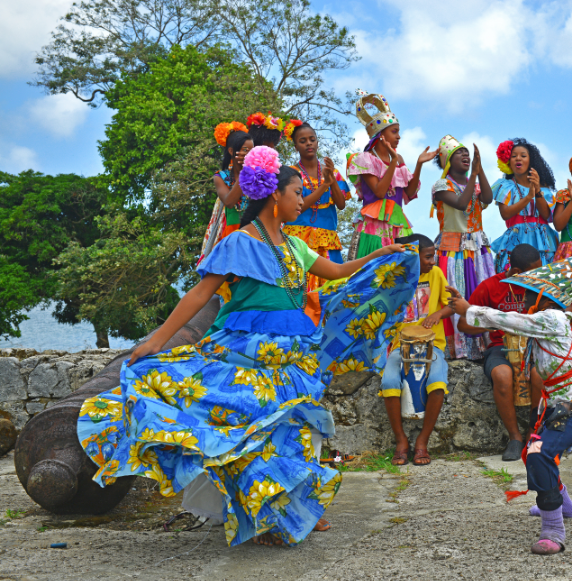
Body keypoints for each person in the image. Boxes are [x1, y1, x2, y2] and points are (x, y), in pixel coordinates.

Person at [77, 146, 419, 548]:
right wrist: (157, 340)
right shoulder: (239, 242)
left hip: (293, 353)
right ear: (276, 195)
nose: (301, 202)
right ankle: (262, 514)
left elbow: (340, 271)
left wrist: (381, 253)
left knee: (294, 426)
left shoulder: (295, 246)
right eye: (297, 194)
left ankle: (291, 509)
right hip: (247, 352)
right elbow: (199, 295)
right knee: (251, 433)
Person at [449, 242, 572, 555]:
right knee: (533, 453)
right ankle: (564, 506)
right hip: (557, 406)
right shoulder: (547, 323)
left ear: (542, 298)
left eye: (525, 296)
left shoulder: (552, 321)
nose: (521, 302)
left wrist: (470, 309)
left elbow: (511, 322)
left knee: (538, 455)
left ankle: (553, 528)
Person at [456, 244, 543, 461]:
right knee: (502, 376)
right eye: (532, 272)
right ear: (515, 272)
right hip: (500, 347)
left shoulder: (539, 286)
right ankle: (514, 437)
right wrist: (492, 326)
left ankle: (535, 433)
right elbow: (464, 325)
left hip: (533, 345)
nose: (536, 276)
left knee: (540, 374)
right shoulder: (490, 287)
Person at [379, 234, 453, 467]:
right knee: (389, 383)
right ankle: (401, 441)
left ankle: (422, 440)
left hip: (433, 345)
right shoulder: (394, 279)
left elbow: (452, 304)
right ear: (412, 257)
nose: (433, 261)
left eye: (434, 256)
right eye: (428, 257)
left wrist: (438, 314)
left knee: (438, 383)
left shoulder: (437, 275)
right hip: (400, 346)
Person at [346, 91, 437, 258]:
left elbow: (409, 192)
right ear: (381, 135)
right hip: (373, 225)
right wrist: (393, 161)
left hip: (397, 223)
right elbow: (379, 192)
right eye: (394, 131)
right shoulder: (366, 159)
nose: (399, 136)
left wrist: (419, 164)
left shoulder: (398, 158)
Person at [431, 135, 495, 359]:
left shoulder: (474, 183)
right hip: (453, 250)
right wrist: (474, 176)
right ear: (447, 159)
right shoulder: (441, 186)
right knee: (458, 293)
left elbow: (488, 197)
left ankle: (484, 345)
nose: (466, 155)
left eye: (468, 153)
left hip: (478, 249)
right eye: (460, 152)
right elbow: (461, 204)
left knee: (479, 293)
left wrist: (480, 170)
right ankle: (459, 349)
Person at [283, 121, 352, 291]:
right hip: (298, 238)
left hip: (326, 240)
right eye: (303, 140)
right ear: (295, 146)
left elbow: (341, 204)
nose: (309, 143)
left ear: (317, 142)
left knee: (331, 289)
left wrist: (332, 180)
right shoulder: (291, 174)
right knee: (298, 288)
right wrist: (324, 186)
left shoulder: (332, 172)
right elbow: (298, 207)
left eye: (312, 139)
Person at [489, 138, 559, 272]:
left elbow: (547, 215)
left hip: (543, 241)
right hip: (515, 240)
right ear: (508, 162)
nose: (518, 159)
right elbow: (505, 214)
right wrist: (528, 198)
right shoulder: (505, 186)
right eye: (513, 156)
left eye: (523, 156)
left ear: (531, 161)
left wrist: (537, 190)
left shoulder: (544, 189)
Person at [198, 123, 253, 265]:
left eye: (252, 151)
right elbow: (229, 201)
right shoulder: (220, 177)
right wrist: (244, 173)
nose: (249, 155)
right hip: (230, 232)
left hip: (254, 232)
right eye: (245, 150)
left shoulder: (257, 175)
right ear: (231, 151)